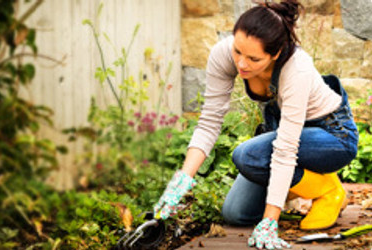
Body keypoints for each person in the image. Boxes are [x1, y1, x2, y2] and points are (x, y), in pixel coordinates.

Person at [153, 0, 359, 249]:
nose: (241, 63)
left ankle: (327, 190)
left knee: (248, 155)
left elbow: (284, 149)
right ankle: (304, 185)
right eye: (238, 51)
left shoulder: (297, 68)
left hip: (333, 137)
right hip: (286, 135)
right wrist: (182, 179)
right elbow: (209, 122)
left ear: (276, 53)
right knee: (236, 213)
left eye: (253, 58)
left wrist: (270, 222)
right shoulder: (223, 54)